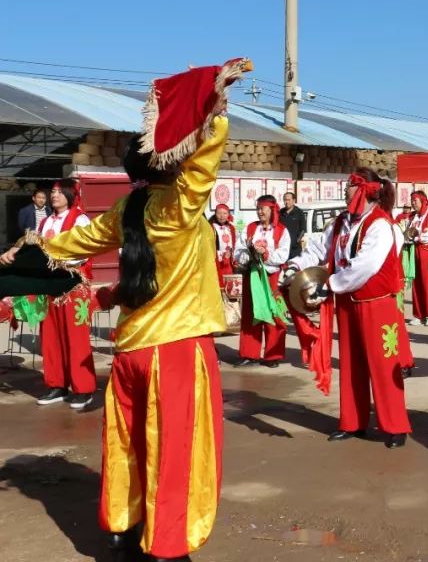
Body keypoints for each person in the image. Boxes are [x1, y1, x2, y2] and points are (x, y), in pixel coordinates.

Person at [4, 59, 249, 561]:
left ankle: (124, 523)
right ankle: (167, 544)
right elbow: (204, 166)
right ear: (171, 163)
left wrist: (20, 252)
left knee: (130, 441)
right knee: (174, 451)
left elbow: (72, 243)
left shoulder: (125, 209)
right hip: (174, 350)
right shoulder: (178, 207)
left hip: (132, 350)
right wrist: (214, 113)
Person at [281, 169, 410, 447]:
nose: (345, 190)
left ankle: (395, 425)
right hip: (348, 303)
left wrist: (331, 284)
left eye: (349, 185)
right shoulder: (342, 222)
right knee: (351, 364)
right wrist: (294, 266)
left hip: (377, 305)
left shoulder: (380, 224)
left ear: (363, 189)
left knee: (384, 365)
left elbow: (365, 266)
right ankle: (353, 422)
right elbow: (318, 248)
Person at [30, 180, 97, 409]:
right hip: (50, 286)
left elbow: (85, 250)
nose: (54, 195)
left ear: (70, 194)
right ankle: (56, 385)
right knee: (50, 336)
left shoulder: (80, 219)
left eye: (59, 192)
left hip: (72, 286)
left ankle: (83, 389)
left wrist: (58, 263)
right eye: (53, 192)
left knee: (75, 337)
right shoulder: (47, 221)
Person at [234, 195, 291, 367]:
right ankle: (249, 353)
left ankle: (273, 355)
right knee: (251, 313)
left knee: (274, 314)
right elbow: (239, 249)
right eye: (258, 209)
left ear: (272, 210)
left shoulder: (281, 230)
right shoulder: (251, 228)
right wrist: (249, 256)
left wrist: (265, 255)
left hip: (272, 277)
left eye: (263, 209)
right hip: (253, 275)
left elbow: (283, 254)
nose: (259, 212)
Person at [404, 191, 428, 326]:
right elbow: (407, 230)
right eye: (412, 200)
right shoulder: (413, 217)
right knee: (416, 282)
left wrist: (416, 237)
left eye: (415, 200)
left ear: (423, 201)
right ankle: (419, 314)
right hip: (415, 251)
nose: (413, 203)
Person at [208, 204, 235, 288]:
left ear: (228, 215)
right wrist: (221, 255)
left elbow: (234, 245)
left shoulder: (231, 228)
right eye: (219, 213)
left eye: (225, 213)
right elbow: (209, 247)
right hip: (216, 262)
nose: (222, 216)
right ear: (215, 214)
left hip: (229, 263)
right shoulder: (211, 227)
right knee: (218, 285)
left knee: (229, 285)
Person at [279, 191, 306, 259]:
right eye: (285, 200)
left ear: (294, 200)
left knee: (294, 266)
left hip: (295, 248)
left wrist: (297, 240)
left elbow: (303, 229)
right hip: (283, 246)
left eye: (288, 200)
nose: (286, 202)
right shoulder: (280, 212)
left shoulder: (299, 212)